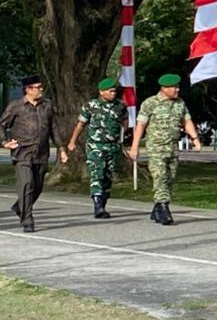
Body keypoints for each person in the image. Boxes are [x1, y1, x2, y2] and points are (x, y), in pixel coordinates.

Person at [128, 73, 202, 226]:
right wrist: (134, 147)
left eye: (177, 87)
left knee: (170, 178)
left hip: (173, 147)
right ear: (164, 88)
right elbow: (140, 125)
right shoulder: (150, 103)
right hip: (156, 147)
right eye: (174, 87)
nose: (177, 90)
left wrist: (195, 139)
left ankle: (157, 208)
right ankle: (164, 209)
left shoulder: (180, 103)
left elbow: (187, 121)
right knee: (160, 177)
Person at [1, 75, 67, 233]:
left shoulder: (47, 106)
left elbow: (54, 128)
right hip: (22, 153)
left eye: (41, 87)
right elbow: (1, 125)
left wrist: (61, 149)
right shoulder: (16, 106)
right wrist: (4, 142)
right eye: (38, 87)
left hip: (41, 153)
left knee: (37, 187)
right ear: (28, 90)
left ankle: (20, 207)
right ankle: (27, 219)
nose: (41, 89)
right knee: (26, 184)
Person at [67, 77, 129, 220]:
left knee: (108, 176)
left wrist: (123, 134)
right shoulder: (91, 105)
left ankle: (103, 204)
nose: (113, 93)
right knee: (97, 174)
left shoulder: (120, 106)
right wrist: (72, 141)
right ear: (101, 92)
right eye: (110, 91)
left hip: (113, 146)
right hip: (96, 146)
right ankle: (98, 206)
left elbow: (125, 120)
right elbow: (81, 125)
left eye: (114, 91)